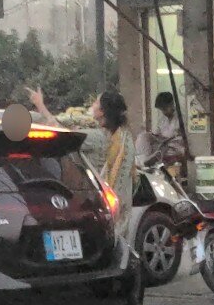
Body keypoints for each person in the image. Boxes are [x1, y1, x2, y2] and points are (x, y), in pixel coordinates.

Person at [27, 86, 135, 239]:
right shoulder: (121, 135)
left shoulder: (99, 137)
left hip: (102, 203)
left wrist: (40, 105)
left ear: (103, 111)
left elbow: (63, 134)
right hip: (115, 203)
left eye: (96, 103)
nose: (92, 105)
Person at [135, 91, 185, 165]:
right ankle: (145, 159)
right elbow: (157, 133)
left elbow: (180, 137)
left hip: (174, 147)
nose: (164, 112)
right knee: (142, 136)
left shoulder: (181, 118)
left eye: (165, 109)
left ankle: (150, 160)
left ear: (171, 104)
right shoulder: (163, 119)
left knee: (163, 148)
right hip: (161, 144)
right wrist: (153, 136)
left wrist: (165, 139)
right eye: (162, 110)